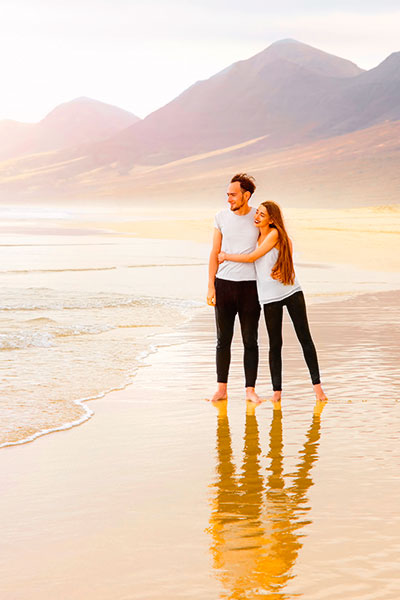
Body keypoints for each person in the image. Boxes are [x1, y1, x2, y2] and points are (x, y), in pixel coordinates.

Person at [218, 201, 327, 403]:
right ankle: (277, 393)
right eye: (256, 213)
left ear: (272, 219)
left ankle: (318, 389)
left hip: (291, 292)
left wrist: (226, 256)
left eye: (262, 214)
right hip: (268, 298)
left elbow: (251, 258)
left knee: (305, 339)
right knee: (275, 344)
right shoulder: (255, 236)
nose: (257, 217)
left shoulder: (275, 234)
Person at [207, 173, 262, 403]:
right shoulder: (220, 217)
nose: (228, 198)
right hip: (224, 285)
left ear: (246, 195)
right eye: (227, 194)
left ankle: (250, 390)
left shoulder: (258, 217)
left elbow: (269, 246)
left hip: (251, 287)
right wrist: (211, 285)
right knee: (223, 340)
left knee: (250, 340)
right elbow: (214, 252)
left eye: (233, 194)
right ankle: (222, 389)